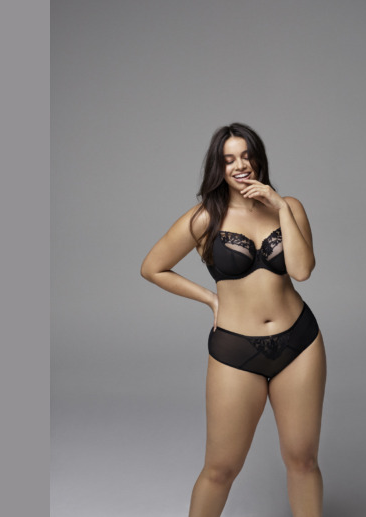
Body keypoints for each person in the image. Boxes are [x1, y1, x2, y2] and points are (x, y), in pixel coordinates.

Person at [140, 122, 326, 517]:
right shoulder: (205, 218)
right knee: (220, 469)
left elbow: (302, 270)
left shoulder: (290, 207)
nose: (239, 165)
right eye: (229, 160)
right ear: (218, 168)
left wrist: (280, 207)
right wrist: (210, 299)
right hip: (235, 350)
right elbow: (152, 267)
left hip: (300, 342)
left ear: (257, 159)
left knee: (303, 460)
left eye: (246, 156)